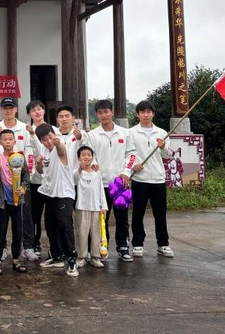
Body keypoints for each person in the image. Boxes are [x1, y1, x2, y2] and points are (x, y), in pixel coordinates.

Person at [0, 97, 36, 262]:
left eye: (11, 107)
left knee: (21, 224)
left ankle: (22, 252)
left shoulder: (24, 128)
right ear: (1, 110)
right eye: (5, 108)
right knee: (0, 227)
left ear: (16, 109)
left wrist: (24, 185)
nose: (8, 110)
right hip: (2, 194)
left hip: (19, 188)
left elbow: (30, 154)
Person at [123, 100, 174, 258]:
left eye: (149, 112)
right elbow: (128, 154)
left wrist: (164, 146)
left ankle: (163, 244)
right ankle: (138, 244)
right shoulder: (130, 132)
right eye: (142, 112)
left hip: (158, 179)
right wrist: (133, 166)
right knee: (138, 213)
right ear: (137, 114)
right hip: (140, 179)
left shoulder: (161, 132)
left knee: (160, 213)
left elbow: (168, 155)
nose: (146, 115)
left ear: (153, 113)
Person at [86, 99, 132, 261]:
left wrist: (127, 172)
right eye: (100, 112)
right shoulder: (92, 135)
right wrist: (95, 165)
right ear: (96, 115)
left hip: (121, 184)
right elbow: (90, 156)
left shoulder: (125, 133)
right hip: (101, 185)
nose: (104, 115)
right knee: (101, 218)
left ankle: (123, 247)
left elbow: (131, 155)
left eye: (106, 112)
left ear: (112, 112)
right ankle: (100, 247)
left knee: (122, 218)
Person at [34, 124, 79, 277]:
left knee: (65, 225)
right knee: (50, 225)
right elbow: (40, 171)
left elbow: (61, 149)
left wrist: (57, 142)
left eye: (50, 137)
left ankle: (72, 260)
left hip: (64, 193)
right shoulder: (43, 150)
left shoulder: (61, 146)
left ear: (54, 134)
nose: (48, 141)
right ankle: (57, 256)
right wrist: (38, 162)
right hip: (49, 193)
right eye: (44, 139)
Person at [0, 129, 30, 275]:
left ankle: (17, 259)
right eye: (4, 139)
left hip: (18, 201)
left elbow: (26, 178)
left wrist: (23, 189)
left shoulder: (20, 158)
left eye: (10, 139)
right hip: (2, 201)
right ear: (0, 142)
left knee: (18, 230)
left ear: (14, 141)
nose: (7, 141)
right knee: (0, 231)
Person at [25, 100, 57, 257]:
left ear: (44, 111)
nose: (36, 112)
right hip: (34, 181)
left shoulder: (53, 130)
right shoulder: (26, 131)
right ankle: (34, 243)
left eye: (39, 109)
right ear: (29, 114)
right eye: (33, 110)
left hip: (51, 181)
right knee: (34, 215)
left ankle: (54, 246)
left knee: (52, 216)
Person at [74, 145, 107, 270]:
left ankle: (95, 257)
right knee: (82, 232)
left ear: (93, 157)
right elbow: (74, 180)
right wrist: (80, 169)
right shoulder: (77, 173)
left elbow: (101, 191)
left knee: (96, 233)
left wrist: (103, 206)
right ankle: (81, 257)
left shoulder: (97, 174)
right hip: (82, 207)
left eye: (89, 155)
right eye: (83, 155)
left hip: (96, 208)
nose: (86, 157)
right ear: (79, 158)